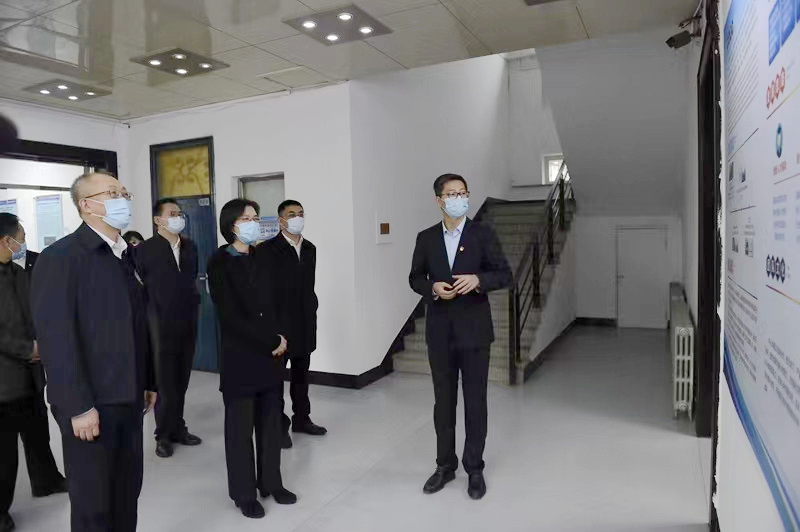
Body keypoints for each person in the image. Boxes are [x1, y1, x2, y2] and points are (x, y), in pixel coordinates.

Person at [30, 172, 157, 532]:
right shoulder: (62, 258)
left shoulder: (125, 255)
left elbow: (137, 326)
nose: (123, 200)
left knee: (126, 491)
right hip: (92, 404)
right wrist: (78, 406)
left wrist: (148, 381)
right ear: (87, 205)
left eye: (124, 193)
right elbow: (56, 338)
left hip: (128, 395)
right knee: (94, 501)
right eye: (113, 193)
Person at [409, 174, 511, 500]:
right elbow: (415, 277)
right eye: (452, 194)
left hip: (475, 333)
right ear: (439, 200)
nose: (459, 198)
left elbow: (504, 274)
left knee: (475, 402)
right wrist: (432, 288)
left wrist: (479, 280)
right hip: (440, 333)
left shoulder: (483, 234)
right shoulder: (426, 238)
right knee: (444, 403)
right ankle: (445, 465)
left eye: (463, 193)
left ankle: (474, 468)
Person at [208, 199, 297, 520]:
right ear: (231, 225)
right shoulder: (220, 262)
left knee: (271, 426)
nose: (254, 223)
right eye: (247, 218)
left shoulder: (263, 257)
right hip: (241, 358)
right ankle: (244, 494)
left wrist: (282, 337)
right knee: (240, 432)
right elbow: (230, 316)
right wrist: (270, 340)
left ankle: (272, 483)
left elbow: (278, 302)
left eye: (256, 218)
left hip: (271, 358)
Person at [0, 214, 67, 532]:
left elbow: (35, 311)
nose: (23, 243)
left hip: (31, 374)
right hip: (5, 380)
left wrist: (44, 341)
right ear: (6, 240)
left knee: (39, 433)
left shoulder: (18, 273)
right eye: (21, 237)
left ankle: (46, 481)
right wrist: (28, 349)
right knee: (4, 452)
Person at [258, 200, 325, 449]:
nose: (297, 218)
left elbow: (308, 286)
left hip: (305, 322)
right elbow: (265, 292)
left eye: (301, 214)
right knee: (275, 380)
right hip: (280, 327)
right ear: (281, 220)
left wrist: (312, 308)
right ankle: (278, 426)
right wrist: (271, 327)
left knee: (301, 376)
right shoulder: (267, 250)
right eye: (291, 214)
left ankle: (302, 419)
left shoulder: (309, 248)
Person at [138, 198, 202, 458]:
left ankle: (178, 428)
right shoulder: (144, 249)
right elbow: (142, 286)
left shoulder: (189, 247)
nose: (178, 217)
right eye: (172, 213)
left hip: (187, 320)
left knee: (181, 379)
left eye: (179, 213)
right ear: (158, 220)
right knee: (164, 382)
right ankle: (162, 435)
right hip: (159, 322)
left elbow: (191, 278)